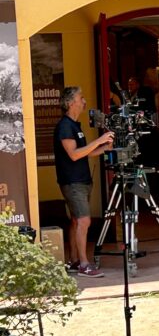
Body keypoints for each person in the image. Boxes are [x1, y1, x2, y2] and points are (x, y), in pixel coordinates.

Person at [54, 86, 115, 278]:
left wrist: (105, 147)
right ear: (71, 102)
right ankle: (84, 264)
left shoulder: (75, 125)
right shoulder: (65, 126)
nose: (84, 102)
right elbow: (73, 155)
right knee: (84, 220)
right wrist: (98, 141)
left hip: (82, 180)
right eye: (81, 98)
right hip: (73, 182)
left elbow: (85, 153)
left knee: (76, 221)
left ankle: (73, 261)